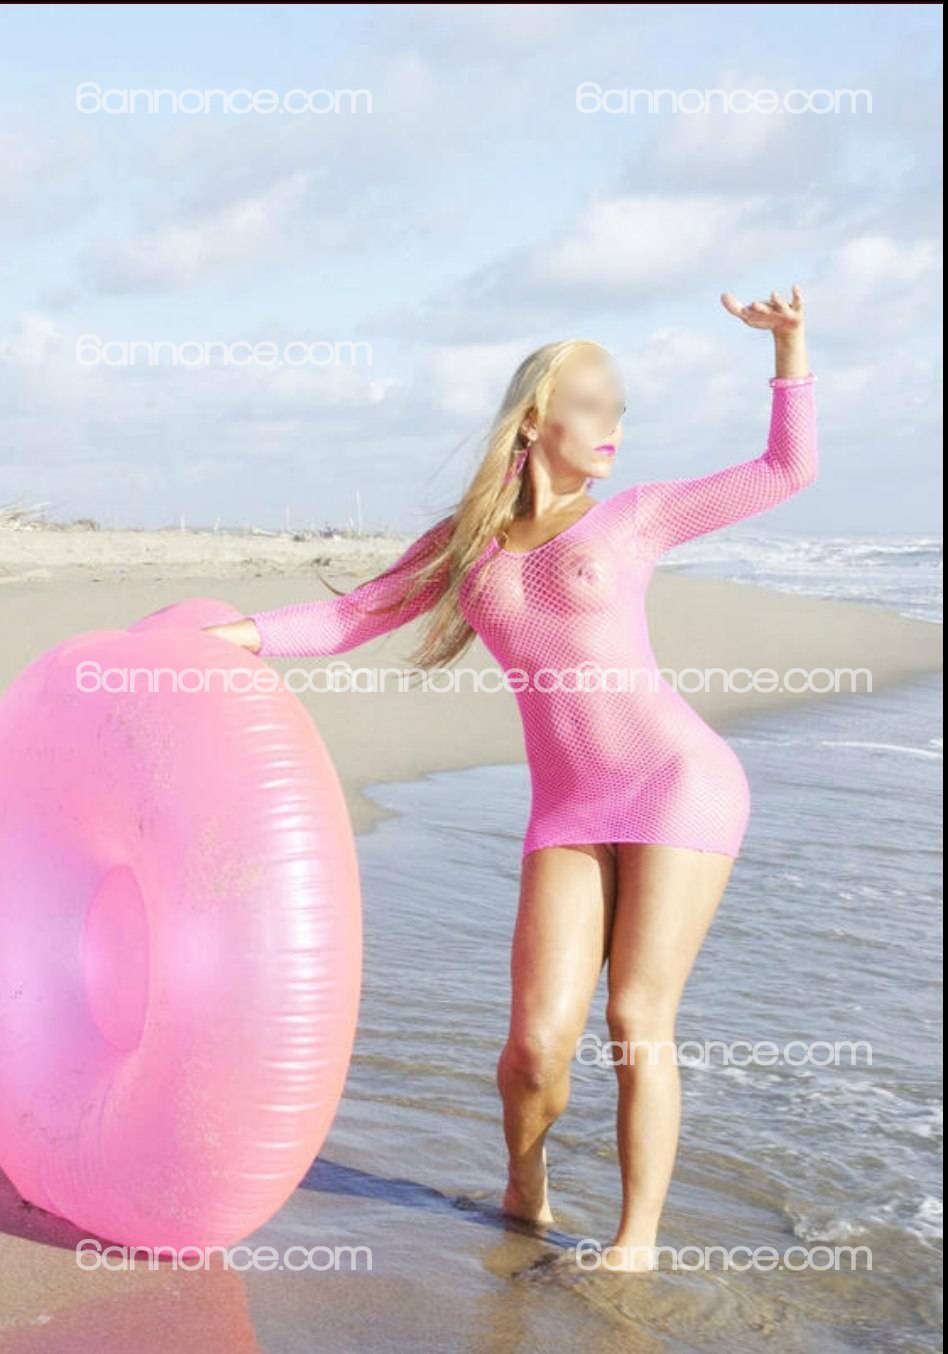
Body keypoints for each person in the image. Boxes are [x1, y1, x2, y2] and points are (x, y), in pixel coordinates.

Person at [205, 287, 818, 1272]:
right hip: (569, 806)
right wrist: (236, 636)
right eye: (594, 405)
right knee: (533, 1048)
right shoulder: (467, 544)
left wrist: (789, 347)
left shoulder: (635, 517)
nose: (614, 426)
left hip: (677, 781)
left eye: (621, 409)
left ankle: (635, 1242)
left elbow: (786, 470)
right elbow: (354, 616)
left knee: (636, 1018)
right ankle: (525, 1183)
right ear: (535, 419)